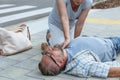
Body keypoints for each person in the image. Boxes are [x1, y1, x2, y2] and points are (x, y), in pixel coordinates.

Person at [39, 36, 120, 78]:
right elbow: (109, 71)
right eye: (50, 54)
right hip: (113, 45)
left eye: (46, 53)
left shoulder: (63, 51)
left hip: (100, 38)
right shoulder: (81, 64)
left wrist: (45, 48)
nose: (49, 50)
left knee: (50, 33)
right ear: (60, 63)